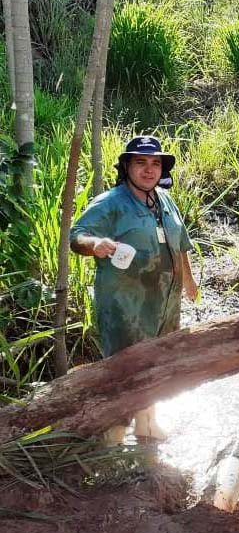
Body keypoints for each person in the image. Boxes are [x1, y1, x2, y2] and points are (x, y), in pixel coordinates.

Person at [71, 135, 198, 441]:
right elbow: (77, 235)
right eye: (140, 162)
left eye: (155, 163)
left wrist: (189, 282)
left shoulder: (164, 200)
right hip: (124, 307)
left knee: (156, 365)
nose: (149, 169)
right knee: (124, 371)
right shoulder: (111, 202)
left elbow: (179, 245)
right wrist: (95, 244)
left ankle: (148, 425)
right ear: (126, 166)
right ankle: (114, 437)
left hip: (164, 303)